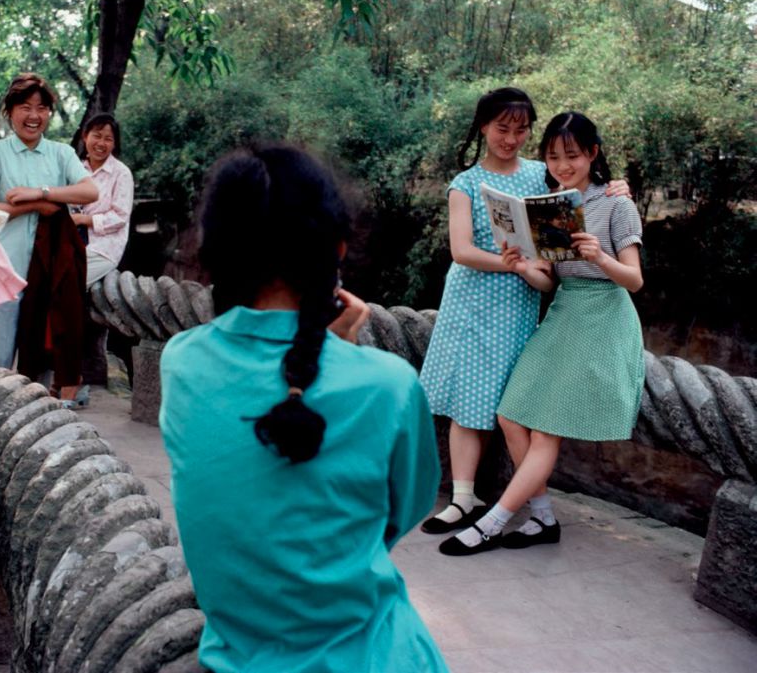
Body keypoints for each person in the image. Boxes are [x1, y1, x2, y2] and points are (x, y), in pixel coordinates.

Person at [159, 144, 447, 672]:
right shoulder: (388, 387)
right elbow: (397, 513)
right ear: (336, 249)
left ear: (217, 250)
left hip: (238, 655)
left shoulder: (181, 364)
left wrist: (315, 353)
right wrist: (341, 350)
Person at [417, 89, 630, 535]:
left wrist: (619, 186)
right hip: (472, 296)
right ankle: (463, 498)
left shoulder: (542, 175)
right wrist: (509, 262)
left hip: (523, 300)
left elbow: (582, 193)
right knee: (465, 396)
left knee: (508, 402)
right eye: (502, 129)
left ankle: (531, 510)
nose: (511, 138)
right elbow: (461, 250)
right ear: (483, 127)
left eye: (520, 130)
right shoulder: (466, 183)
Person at [0, 73, 97, 388]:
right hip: (2, 270)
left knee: (39, 360)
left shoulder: (61, 153)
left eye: (41, 108)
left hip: (49, 271)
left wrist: (39, 192)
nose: (34, 116)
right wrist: (29, 206)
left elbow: (89, 192)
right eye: (25, 107)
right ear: (9, 111)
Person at [73, 113, 133, 286]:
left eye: (108, 139)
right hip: (72, 241)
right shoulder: (75, 169)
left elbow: (120, 217)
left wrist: (83, 219)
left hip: (104, 248)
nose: (101, 143)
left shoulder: (121, 173)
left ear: (114, 144)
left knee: (67, 285)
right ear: (85, 136)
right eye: (97, 136)